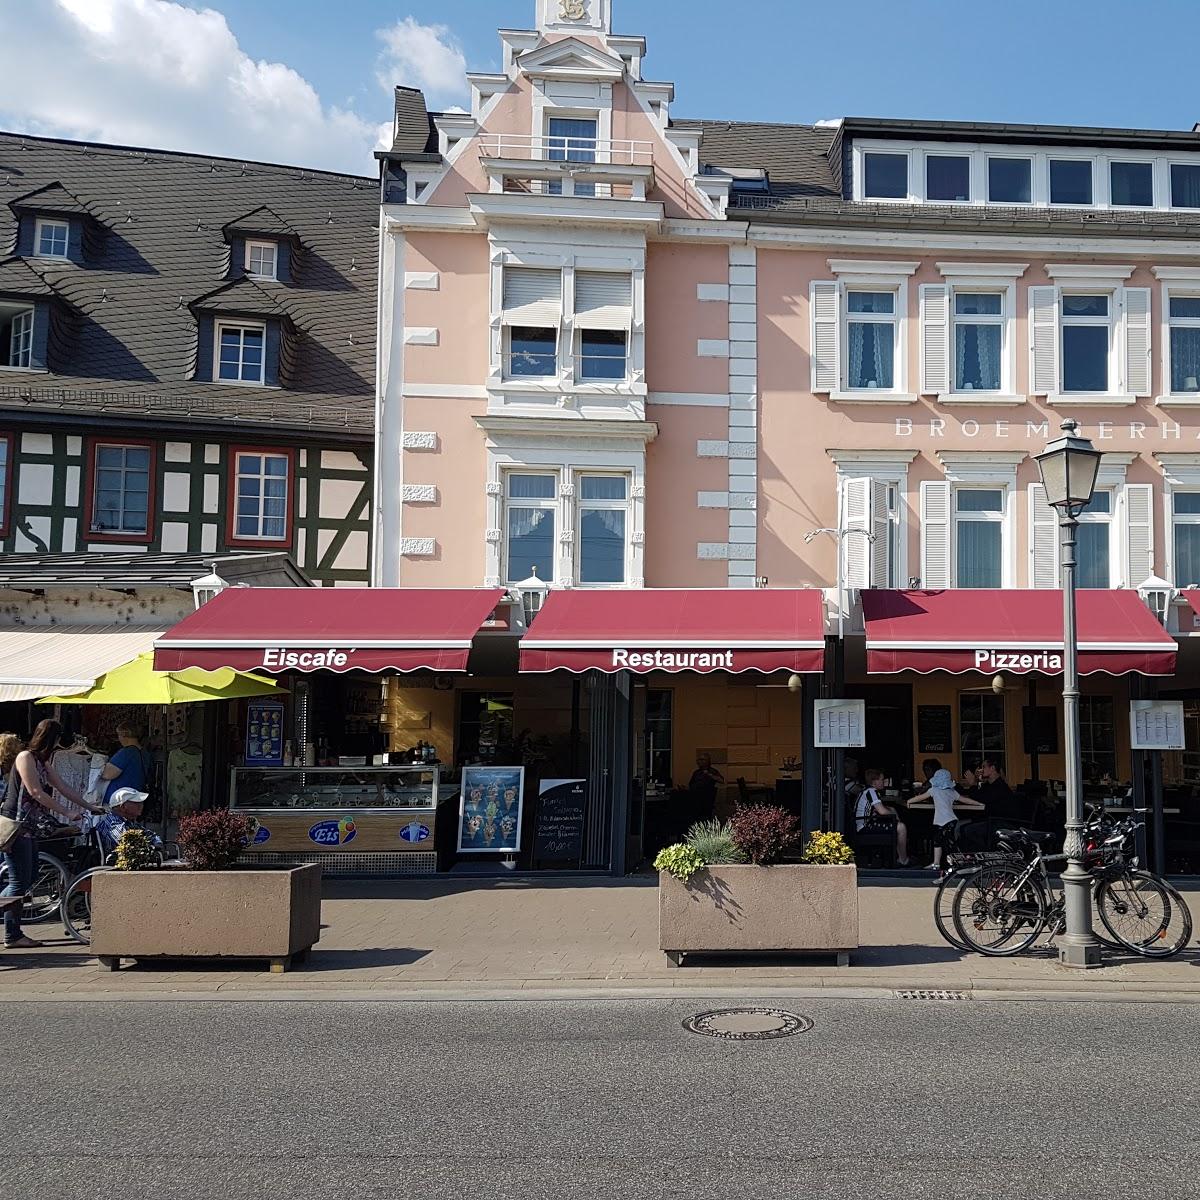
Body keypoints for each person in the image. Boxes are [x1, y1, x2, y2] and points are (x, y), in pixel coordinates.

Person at [2, 719, 102, 949]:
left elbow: (63, 787)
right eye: (57, 740)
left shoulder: (41, 761)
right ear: (50, 738)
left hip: (29, 828)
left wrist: (88, 807)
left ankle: (13, 933)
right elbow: (36, 792)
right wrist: (67, 811)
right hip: (15, 827)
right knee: (19, 881)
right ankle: (12, 934)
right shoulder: (25, 757)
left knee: (28, 877)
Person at [908, 767, 985, 872]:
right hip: (952, 820)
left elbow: (920, 797)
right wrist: (979, 803)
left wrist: (909, 801)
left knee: (938, 842)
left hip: (940, 821)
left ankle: (939, 863)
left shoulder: (933, 790)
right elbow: (966, 800)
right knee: (951, 842)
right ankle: (957, 862)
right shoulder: (951, 792)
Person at [854, 767, 912, 867]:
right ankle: (903, 859)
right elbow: (882, 811)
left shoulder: (867, 791)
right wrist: (894, 815)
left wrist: (892, 811)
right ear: (874, 782)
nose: (884, 782)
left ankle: (900, 856)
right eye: (881, 780)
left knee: (895, 817)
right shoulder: (871, 792)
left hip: (864, 823)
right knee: (901, 827)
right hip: (865, 826)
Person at [92, 787, 162, 859]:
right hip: (115, 867)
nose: (141, 805)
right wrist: (151, 845)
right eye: (136, 802)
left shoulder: (130, 822)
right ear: (122, 807)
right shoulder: (112, 824)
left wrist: (156, 843)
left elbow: (153, 836)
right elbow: (129, 843)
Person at [100, 724, 150, 804]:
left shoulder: (126, 752)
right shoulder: (145, 753)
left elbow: (107, 774)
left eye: (119, 735)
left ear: (123, 735)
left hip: (121, 801)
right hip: (135, 798)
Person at [687, 753, 723, 822]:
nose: (699, 761)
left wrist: (709, 775)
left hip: (705, 799)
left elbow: (721, 780)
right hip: (694, 797)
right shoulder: (696, 772)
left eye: (702, 759)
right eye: (698, 760)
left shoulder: (712, 771)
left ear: (707, 761)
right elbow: (691, 785)